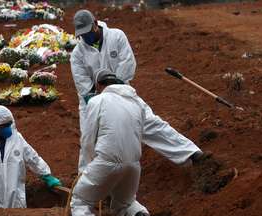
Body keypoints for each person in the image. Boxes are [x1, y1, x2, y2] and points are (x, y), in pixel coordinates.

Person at [70, 71, 207, 216]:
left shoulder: (97, 102)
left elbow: (87, 140)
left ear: (100, 86)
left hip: (106, 162)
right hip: (133, 166)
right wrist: (191, 151)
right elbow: (159, 128)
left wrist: (85, 170)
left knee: (80, 200)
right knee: (125, 203)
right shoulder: (137, 103)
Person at [71, 9, 203, 172]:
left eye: (88, 32)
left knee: (149, 122)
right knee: (89, 141)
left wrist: (113, 88)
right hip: (93, 102)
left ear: (96, 24)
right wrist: (102, 100)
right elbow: (85, 89)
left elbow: (128, 65)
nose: (86, 37)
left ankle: (191, 154)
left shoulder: (116, 36)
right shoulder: (77, 55)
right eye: (82, 35)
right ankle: (85, 181)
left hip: (122, 91)